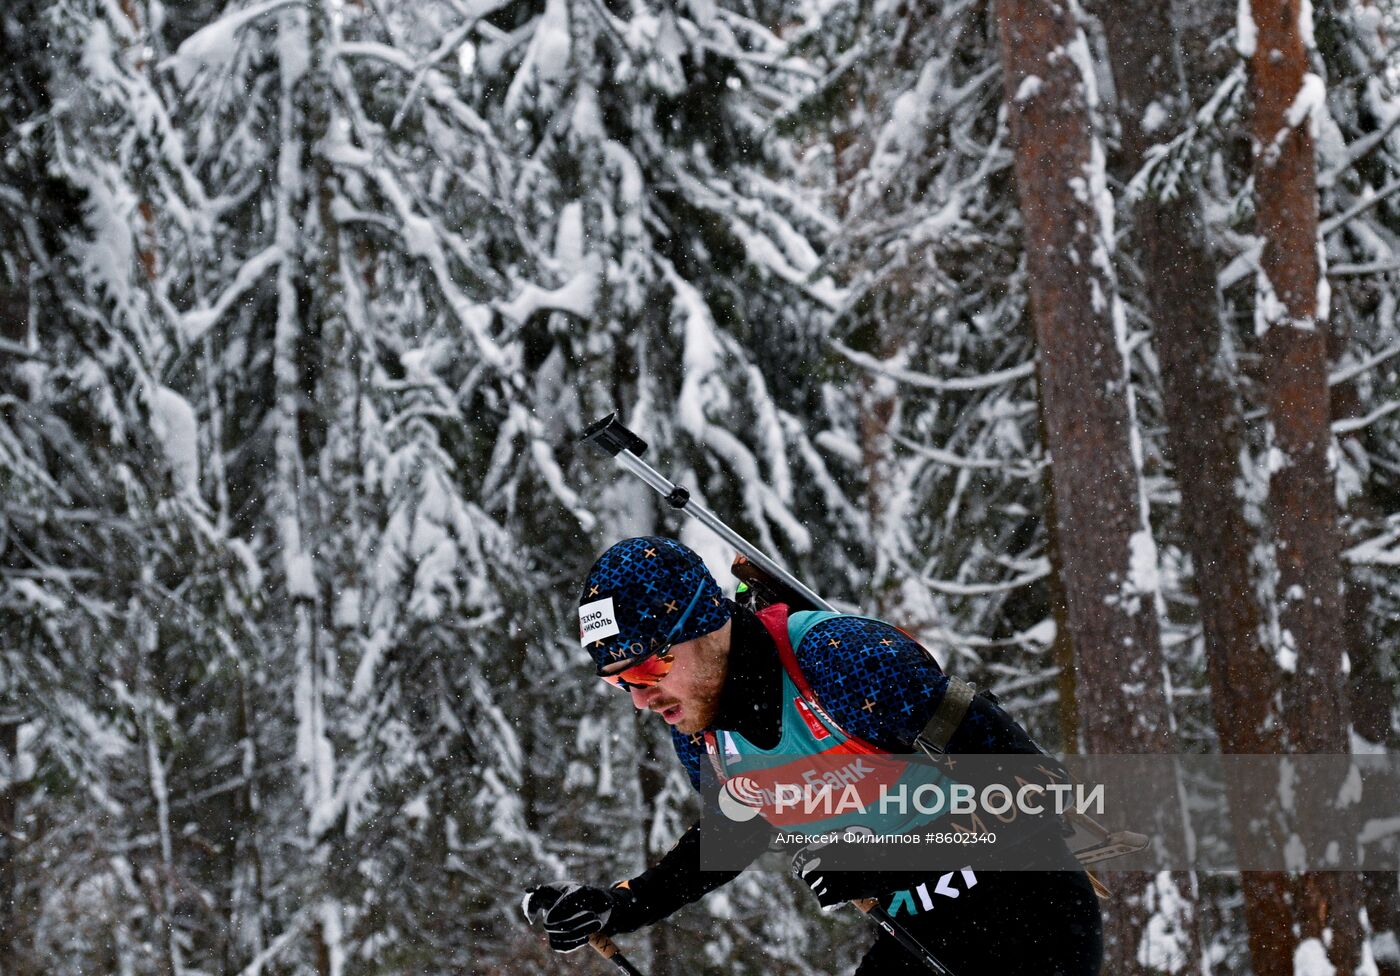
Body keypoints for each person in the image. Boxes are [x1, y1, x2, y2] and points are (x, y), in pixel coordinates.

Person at [523, 536, 1102, 974]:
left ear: (705, 624)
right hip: (915, 936)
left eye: (649, 667)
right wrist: (620, 906)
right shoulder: (697, 726)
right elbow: (734, 829)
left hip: (1030, 914)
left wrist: (889, 860)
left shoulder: (843, 661)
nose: (641, 699)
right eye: (619, 682)